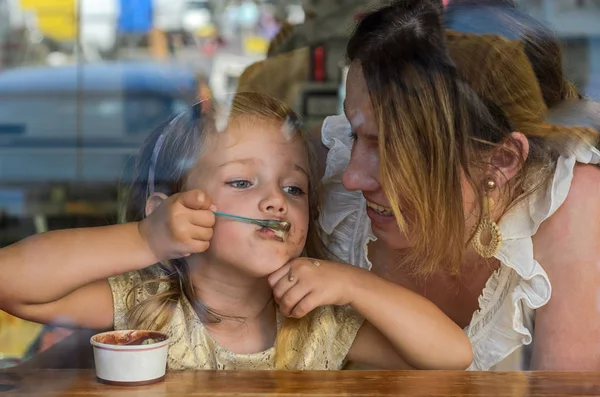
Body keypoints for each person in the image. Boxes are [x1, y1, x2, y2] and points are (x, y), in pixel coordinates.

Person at [0, 92, 472, 371]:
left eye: (294, 188)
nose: (275, 201)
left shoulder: (318, 322)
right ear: (169, 211)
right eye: (242, 182)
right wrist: (144, 239)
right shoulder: (147, 307)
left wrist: (355, 283)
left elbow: (452, 354)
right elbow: (11, 281)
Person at [315, 0, 600, 371]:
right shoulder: (323, 178)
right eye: (356, 136)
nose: (352, 177)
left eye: (393, 149)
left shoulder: (572, 208)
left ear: (503, 159)